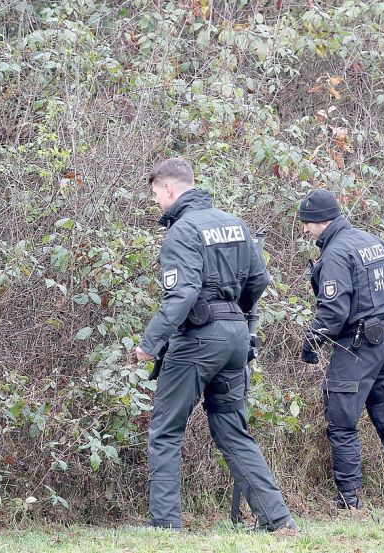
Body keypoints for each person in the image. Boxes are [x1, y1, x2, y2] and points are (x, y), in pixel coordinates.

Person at [135, 158, 296, 531]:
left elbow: (182, 294)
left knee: (166, 430)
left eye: (157, 194)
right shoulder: (235, 224)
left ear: (169, 189)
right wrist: (232, 315)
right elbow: (260, 279)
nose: (158, 202)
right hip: (236, 337)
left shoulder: (183, 231)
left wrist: (150, 342)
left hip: (197, 342)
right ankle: (278, 520)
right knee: (232, 431)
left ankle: (164, 526)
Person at [297, 189, 384, 509]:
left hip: (356, 347)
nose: (304, 230)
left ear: (323, 220)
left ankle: (348, 499)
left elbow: (333, 310)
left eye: (307, 223)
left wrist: (313, 340)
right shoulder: (372, 241)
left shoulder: (335, 253)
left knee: (342, 421)